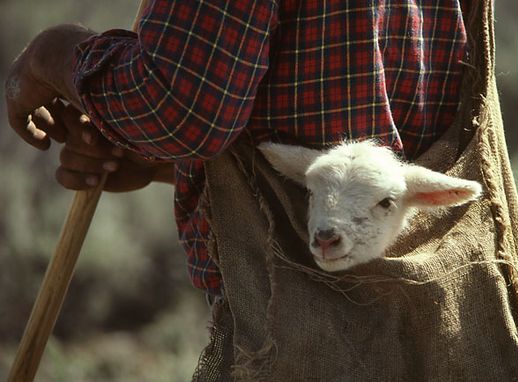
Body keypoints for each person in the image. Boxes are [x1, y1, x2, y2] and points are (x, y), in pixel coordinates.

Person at [5, 0, 468, 299]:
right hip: (428, 302)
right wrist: (170, 164)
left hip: (285, 325)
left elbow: (178, 113)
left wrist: (48, 56)